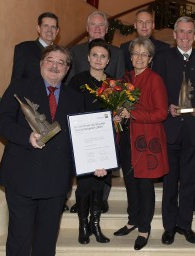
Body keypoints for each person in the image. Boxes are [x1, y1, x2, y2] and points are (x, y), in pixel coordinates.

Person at [0, 45, 84, 256]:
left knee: (46, 240)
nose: (55, 66)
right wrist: (26, 137)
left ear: (67, 69)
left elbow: (81, 137)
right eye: (50, 60)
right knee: (19, 240)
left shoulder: (75, 98)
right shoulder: (20, 87)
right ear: (41, 64)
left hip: (56, 179)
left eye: (61, 62)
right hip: (22, 176)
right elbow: (1, 122)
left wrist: (95, 162)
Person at [152, 16, 195, 245]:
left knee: (190, 180)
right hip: (169, 129)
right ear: (175, 34)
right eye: (181, 32)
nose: (185, 36)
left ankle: (185, 225)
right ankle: (169, 227)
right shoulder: (161, 59)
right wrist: (168, 107)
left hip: (194, 130)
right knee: (170, 181)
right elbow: (155, 90)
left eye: (190, 32)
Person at [112, 37, 169, 250]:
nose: (139, 57)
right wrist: (118, 115)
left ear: (150, 58)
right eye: (136, 53)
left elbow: (161, 113)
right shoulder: (125, 79)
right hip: (127, 138)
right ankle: (132, 219)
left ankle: (144, 228)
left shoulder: (155, 80)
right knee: (130, 183)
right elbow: (120, 106)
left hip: (146, 141)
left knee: (144, 186)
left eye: (144, 54)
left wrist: (132, 113)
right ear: (130, 56)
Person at [68, 10, 125, 214]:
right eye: (94, 25)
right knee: (84, 171)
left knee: (104, 165)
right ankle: (82, 202)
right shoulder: (75, 52)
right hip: (83, 122)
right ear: (87, 28)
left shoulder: (117, 53)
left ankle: (102, 199)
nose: (98, 29)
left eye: (102, 26)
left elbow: (119, 86)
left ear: (107, 29)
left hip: (106, 122)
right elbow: (70, 86)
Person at [68, 39, 112, 244]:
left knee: (99, 185)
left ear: (108, 60)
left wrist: (118, 116)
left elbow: (114, 112)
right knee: (85, 186)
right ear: (88, 57)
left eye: (103, 56)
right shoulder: (77, 81)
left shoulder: (113, 84)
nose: (98, 59)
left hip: (104, 143)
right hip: (84, 142)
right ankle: (83, 226)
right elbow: (72, 112)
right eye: (94, 55)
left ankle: (95, 224)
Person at [11, 12, 59, 81]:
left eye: (53, 27)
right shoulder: (24, 49)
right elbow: (16, 80)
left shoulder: (62, 53)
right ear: (38, 29)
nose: (50, 30)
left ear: (57, 31)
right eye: (45, 26)